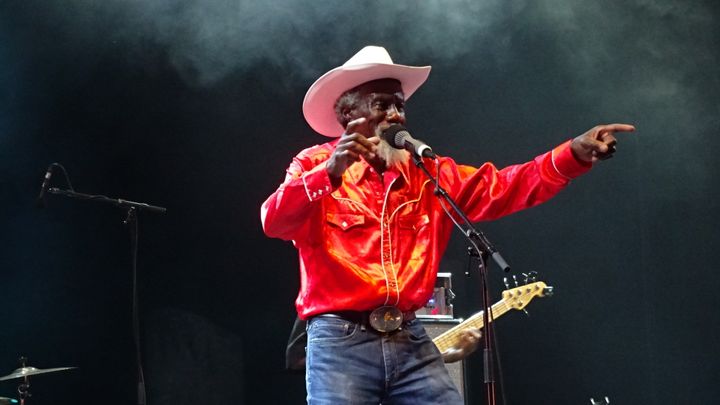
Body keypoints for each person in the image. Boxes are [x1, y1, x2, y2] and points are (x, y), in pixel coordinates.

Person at [260, 45, 634, 404]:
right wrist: (328, 174)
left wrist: (571, 155)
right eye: (382, 105)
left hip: (408, 334)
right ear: (348, 114)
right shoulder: (312, 164)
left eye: (400, 106)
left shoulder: (429, 173)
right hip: (341, 339)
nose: (396, 116)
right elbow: (274, 221)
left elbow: (504, 186)